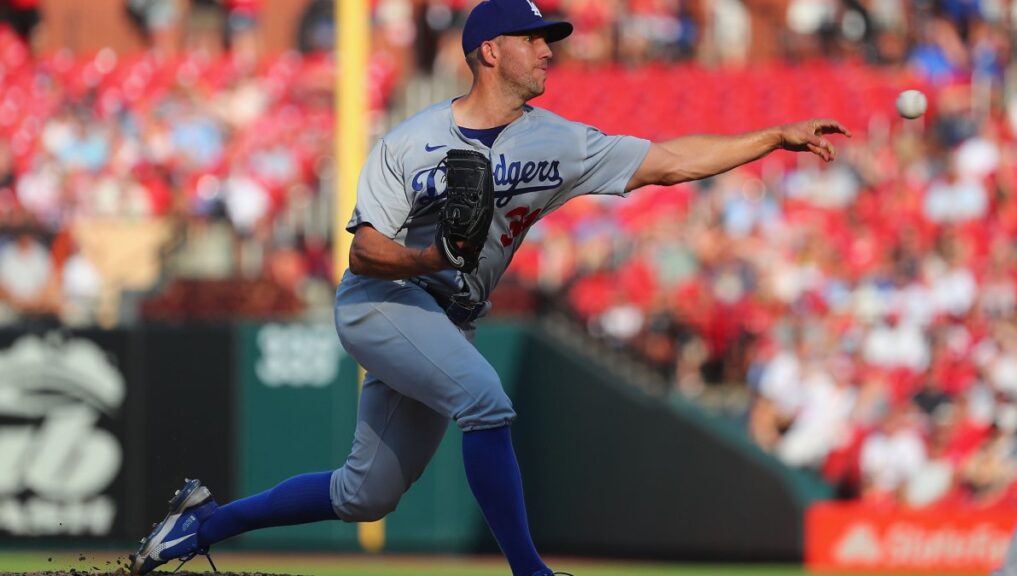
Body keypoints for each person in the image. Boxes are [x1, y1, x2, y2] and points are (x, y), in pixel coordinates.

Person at [128, 1, 850, 575]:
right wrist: (434, 256)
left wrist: (771, 136)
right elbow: (368, 252)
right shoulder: (410, 142)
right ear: (488, 51)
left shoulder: (557, 140)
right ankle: (530, 572)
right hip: (381, 305)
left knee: (365, 495)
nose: (549, 49)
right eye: (534, 38)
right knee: (486, 401)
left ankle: (201, 522)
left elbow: (667, 161)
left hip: (449, 322)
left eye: (550, 38)